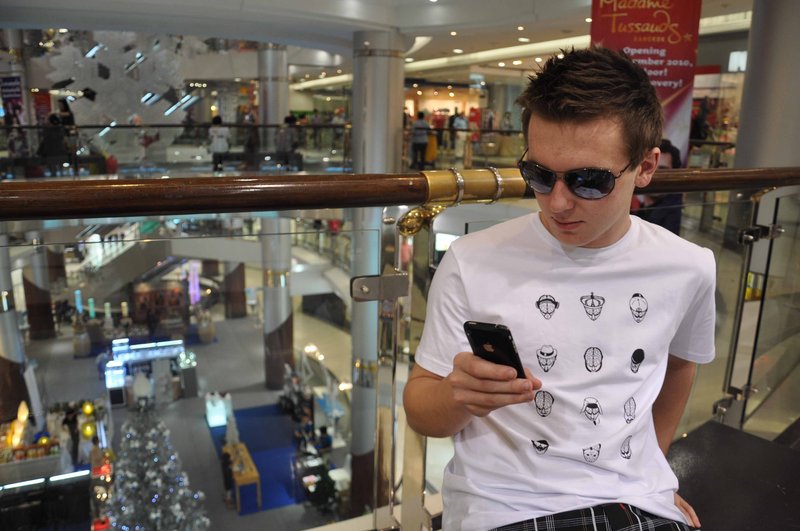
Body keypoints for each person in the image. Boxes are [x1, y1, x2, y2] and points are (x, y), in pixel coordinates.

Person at [403, 46, 715, 531]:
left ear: (646, 167)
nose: (557, 203)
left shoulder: (688, 266)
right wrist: (459, 396)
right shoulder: (472, 259)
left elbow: (679, 365)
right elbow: (422, 412)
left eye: (589, 181)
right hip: (504, 508)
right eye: (539, 175)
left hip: (636, 503)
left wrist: (652, 474)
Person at [634, 139, 684, 235]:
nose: (654, 175)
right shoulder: (637, 208)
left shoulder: (669, 214)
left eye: (663, 170)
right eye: (649, 167)